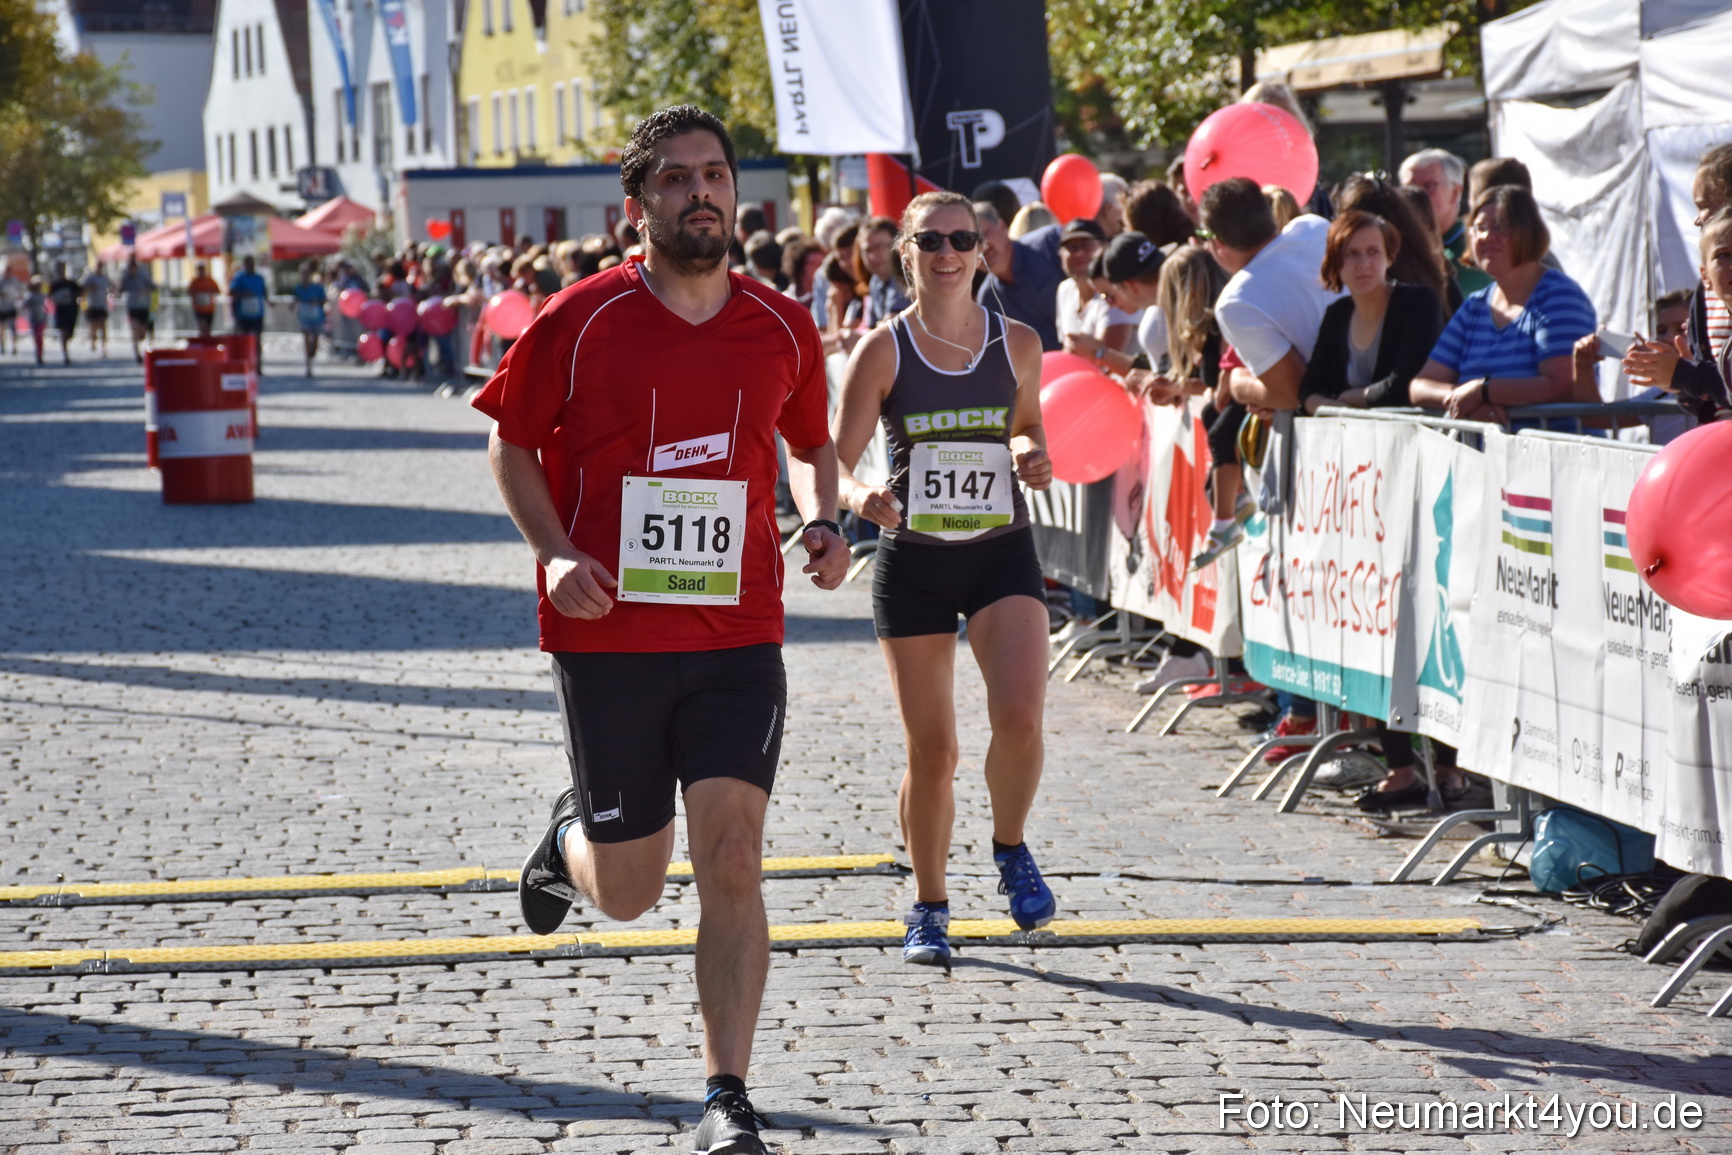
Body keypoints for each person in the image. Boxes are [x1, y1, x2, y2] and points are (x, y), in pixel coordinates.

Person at [472, 105, 847, 1155]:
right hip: (608, 638)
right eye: (677, 179)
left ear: (738, 194)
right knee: (631, 889)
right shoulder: (580, 316)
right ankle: (567, 842)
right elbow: (510, 446)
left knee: (732, 854)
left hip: (737, 636)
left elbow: (814, 441)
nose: (701, 193)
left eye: (716, 175)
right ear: (636, 206)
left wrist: (823, 522)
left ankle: (727, 1095)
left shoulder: (780, 324)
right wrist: (552, 552)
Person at [831, 189, 1056, 971]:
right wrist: (863, 498)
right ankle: (928, 903)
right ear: (906, 254)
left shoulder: (1018, 341)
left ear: (984, 249)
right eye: (931, 241)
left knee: (1022, 716)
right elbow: (836, 458)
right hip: (915, 558)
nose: (949, 252)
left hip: (1000, 549)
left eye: (964, 238)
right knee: (935, 750)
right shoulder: (883, 350)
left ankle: (1010, 845)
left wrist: (1034, 452)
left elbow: (1028, 425)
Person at [1410, 185, 1597, 423]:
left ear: (1527, 232)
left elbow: (1563, 385)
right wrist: (1464, 401)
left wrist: (1483, 390)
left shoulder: (1559, 297)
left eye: (1500, 226)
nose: (1487, 236)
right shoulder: (1474, 307)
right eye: (1480, 228)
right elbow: (1421, 386)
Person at [1199, 178, 1341, 415]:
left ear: (1217, 241)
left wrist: (1240, 384)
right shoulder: (1314, 227)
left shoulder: (1235, 301)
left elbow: (1291, 393)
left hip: (1342, 420)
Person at [1624, 143, 1732, 423]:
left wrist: (1687, 374)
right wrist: (1677, 380)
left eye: (1705, 206)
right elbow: (1706, 398)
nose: (1698, 219)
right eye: (1722, 257)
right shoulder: (1705, 296)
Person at [1299, 210, 1444, 416]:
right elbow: (1309, 389)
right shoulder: (1337, 314)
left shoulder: (1418, 302)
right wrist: (1334, 409)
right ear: (1336, 262)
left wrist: (1352, 397)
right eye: (1352, 253)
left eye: (1373, 251)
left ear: (1389, 257)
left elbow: (1405, 384)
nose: (1364, 264)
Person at [975, 202, 1064, 350]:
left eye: (984, 234)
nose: (982, 246)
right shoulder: (988, 300)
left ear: (1002, 226)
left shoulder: (1050, 243)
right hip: (1051, 371)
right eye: (970, 243)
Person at [1400, 147, 1486, 296]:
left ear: (1455, 192)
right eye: (1409, 188)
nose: (1417, 196)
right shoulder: (1394, 249)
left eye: (1429, 187)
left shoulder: (1477, 249)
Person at [1055, 218, 1136, 358]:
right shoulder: (1064, 289)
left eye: (1086, 245)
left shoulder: (1114, 290)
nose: (1079, 253)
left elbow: (1107, 360)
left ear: (1105, 247)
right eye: (1071, 247)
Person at [854, 216, 909, 326]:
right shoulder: (875, 281)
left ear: (898, 246)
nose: (873, 256)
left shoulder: (905, 278)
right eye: (867, 250)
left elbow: (892, 327)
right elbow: (871, 326)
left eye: (879, 247)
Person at [293, 261, 328, 376]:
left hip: (316, 317)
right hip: (304, 316)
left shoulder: (317, 288)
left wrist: (316, 302)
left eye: (307, 273)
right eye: (303, 273)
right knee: (306, 340)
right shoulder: (298, 288)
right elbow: (295, 300)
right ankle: (308, 367)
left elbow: (324, 300)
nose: (305, 275)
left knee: (315, 341)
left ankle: (312, 352)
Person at [119, 258, 155, 364]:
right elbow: (119, 289)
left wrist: (144, 291)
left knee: (142, 332)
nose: (132, 271)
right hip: (132, 307)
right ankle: (137, 352)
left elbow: (152, 287)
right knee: (135, 329)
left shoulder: (143, 275)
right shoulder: (125, 277)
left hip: (143, 306)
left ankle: (137, 342)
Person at [228, 255, 269, 341]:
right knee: (245, 338)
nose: (250, 265)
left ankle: (257, 354)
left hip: (257, 314)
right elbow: (231, 292)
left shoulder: (259, 278)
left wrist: (269, 301)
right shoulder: (239, 277)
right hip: (244, 315)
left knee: (257, 338)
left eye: (252, 263)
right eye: (248, 263)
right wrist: (243, 294)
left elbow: (264, 292)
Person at [48, 262, 80, 365]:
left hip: (71, 309)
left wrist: (71, 295)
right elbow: (49, 297)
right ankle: (65, 354)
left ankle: (66, 345)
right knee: (63, 331)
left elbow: (80, 292)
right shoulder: (54, 284)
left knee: (69, 333)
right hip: (61, 310)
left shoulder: (71, 283)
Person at [81, 263, 111, 356]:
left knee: (103, 326)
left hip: (102, 305)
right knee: (93, 326)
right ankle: (93, 341)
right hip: (92, 305)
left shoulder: (105, 278)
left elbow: (111, 287)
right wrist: (90, 288)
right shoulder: (89, 277)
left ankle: (103, 347)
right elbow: (81, 288)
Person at [188, 263, 220, 338]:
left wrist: (210, 291)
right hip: (198, 308)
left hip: (209, 309)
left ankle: (208, 340)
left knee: (208, 327)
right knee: (202, 326)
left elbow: (217, 291)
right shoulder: (194, 281)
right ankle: (202, 339)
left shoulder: (210, 280)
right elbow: (189, 291)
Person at [23, 275, 48, 365]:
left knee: (40, 336)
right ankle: (38, 354)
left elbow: (45, 306)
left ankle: (40, 354)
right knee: (36, 337)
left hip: (41, 318)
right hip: (33, 318)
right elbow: (24, 305)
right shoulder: (29, 296)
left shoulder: (42, 295)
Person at [0, 270, 20, 356]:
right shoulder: (1, 282)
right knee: (2, 328)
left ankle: (14, 346)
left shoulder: (14, 281)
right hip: (2, 307)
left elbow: (19, 292)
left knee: (13, 328)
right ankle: (2, 345)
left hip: (12, 306)